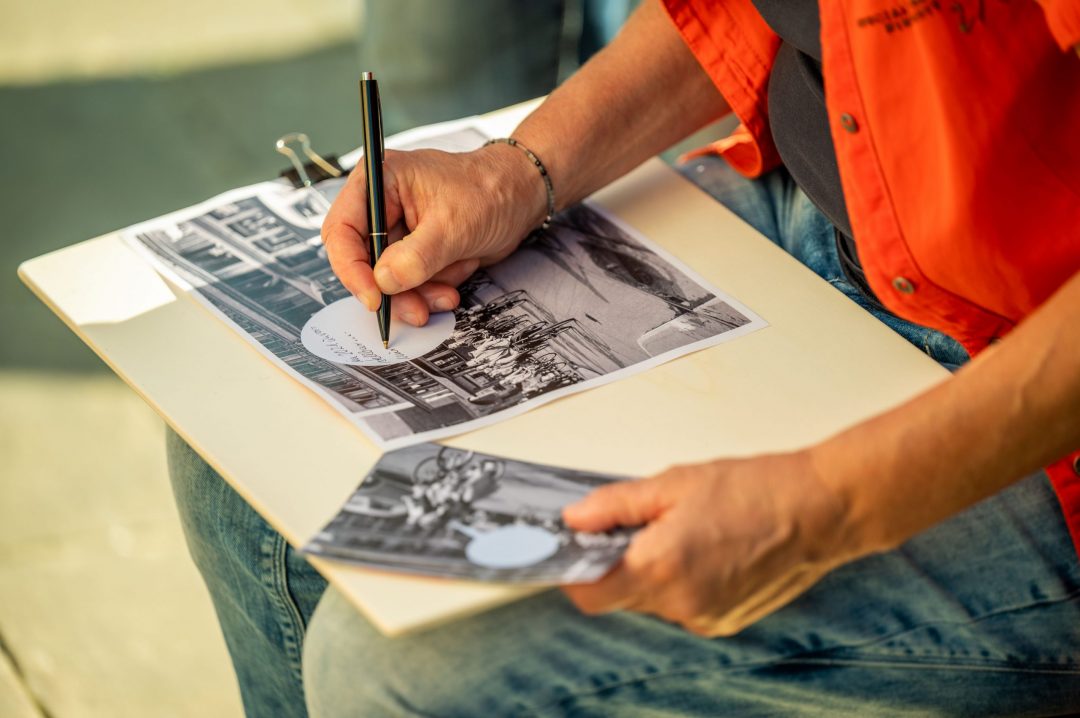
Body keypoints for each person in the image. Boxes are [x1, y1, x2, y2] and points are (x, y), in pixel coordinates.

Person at [169, 0, 1080, 715]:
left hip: (1033, 384)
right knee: (239, 455)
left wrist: (826, 508)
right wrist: (512, 172)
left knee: (399, 674)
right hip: (817, 213)